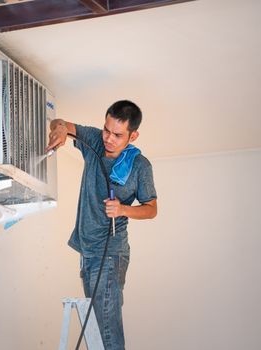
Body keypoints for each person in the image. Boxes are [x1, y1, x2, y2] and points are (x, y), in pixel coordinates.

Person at [46, 100, 157, 350]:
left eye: (118, 135)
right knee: (97, 332)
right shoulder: (95, 141)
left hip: (110, 255)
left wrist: (123, 209)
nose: (109, 138)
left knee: (107, 335)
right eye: (106, 130)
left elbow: (152, 209)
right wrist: (60, 129)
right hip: (87, 251)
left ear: (133, 135)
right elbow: (61, 123)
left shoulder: (140, 166)